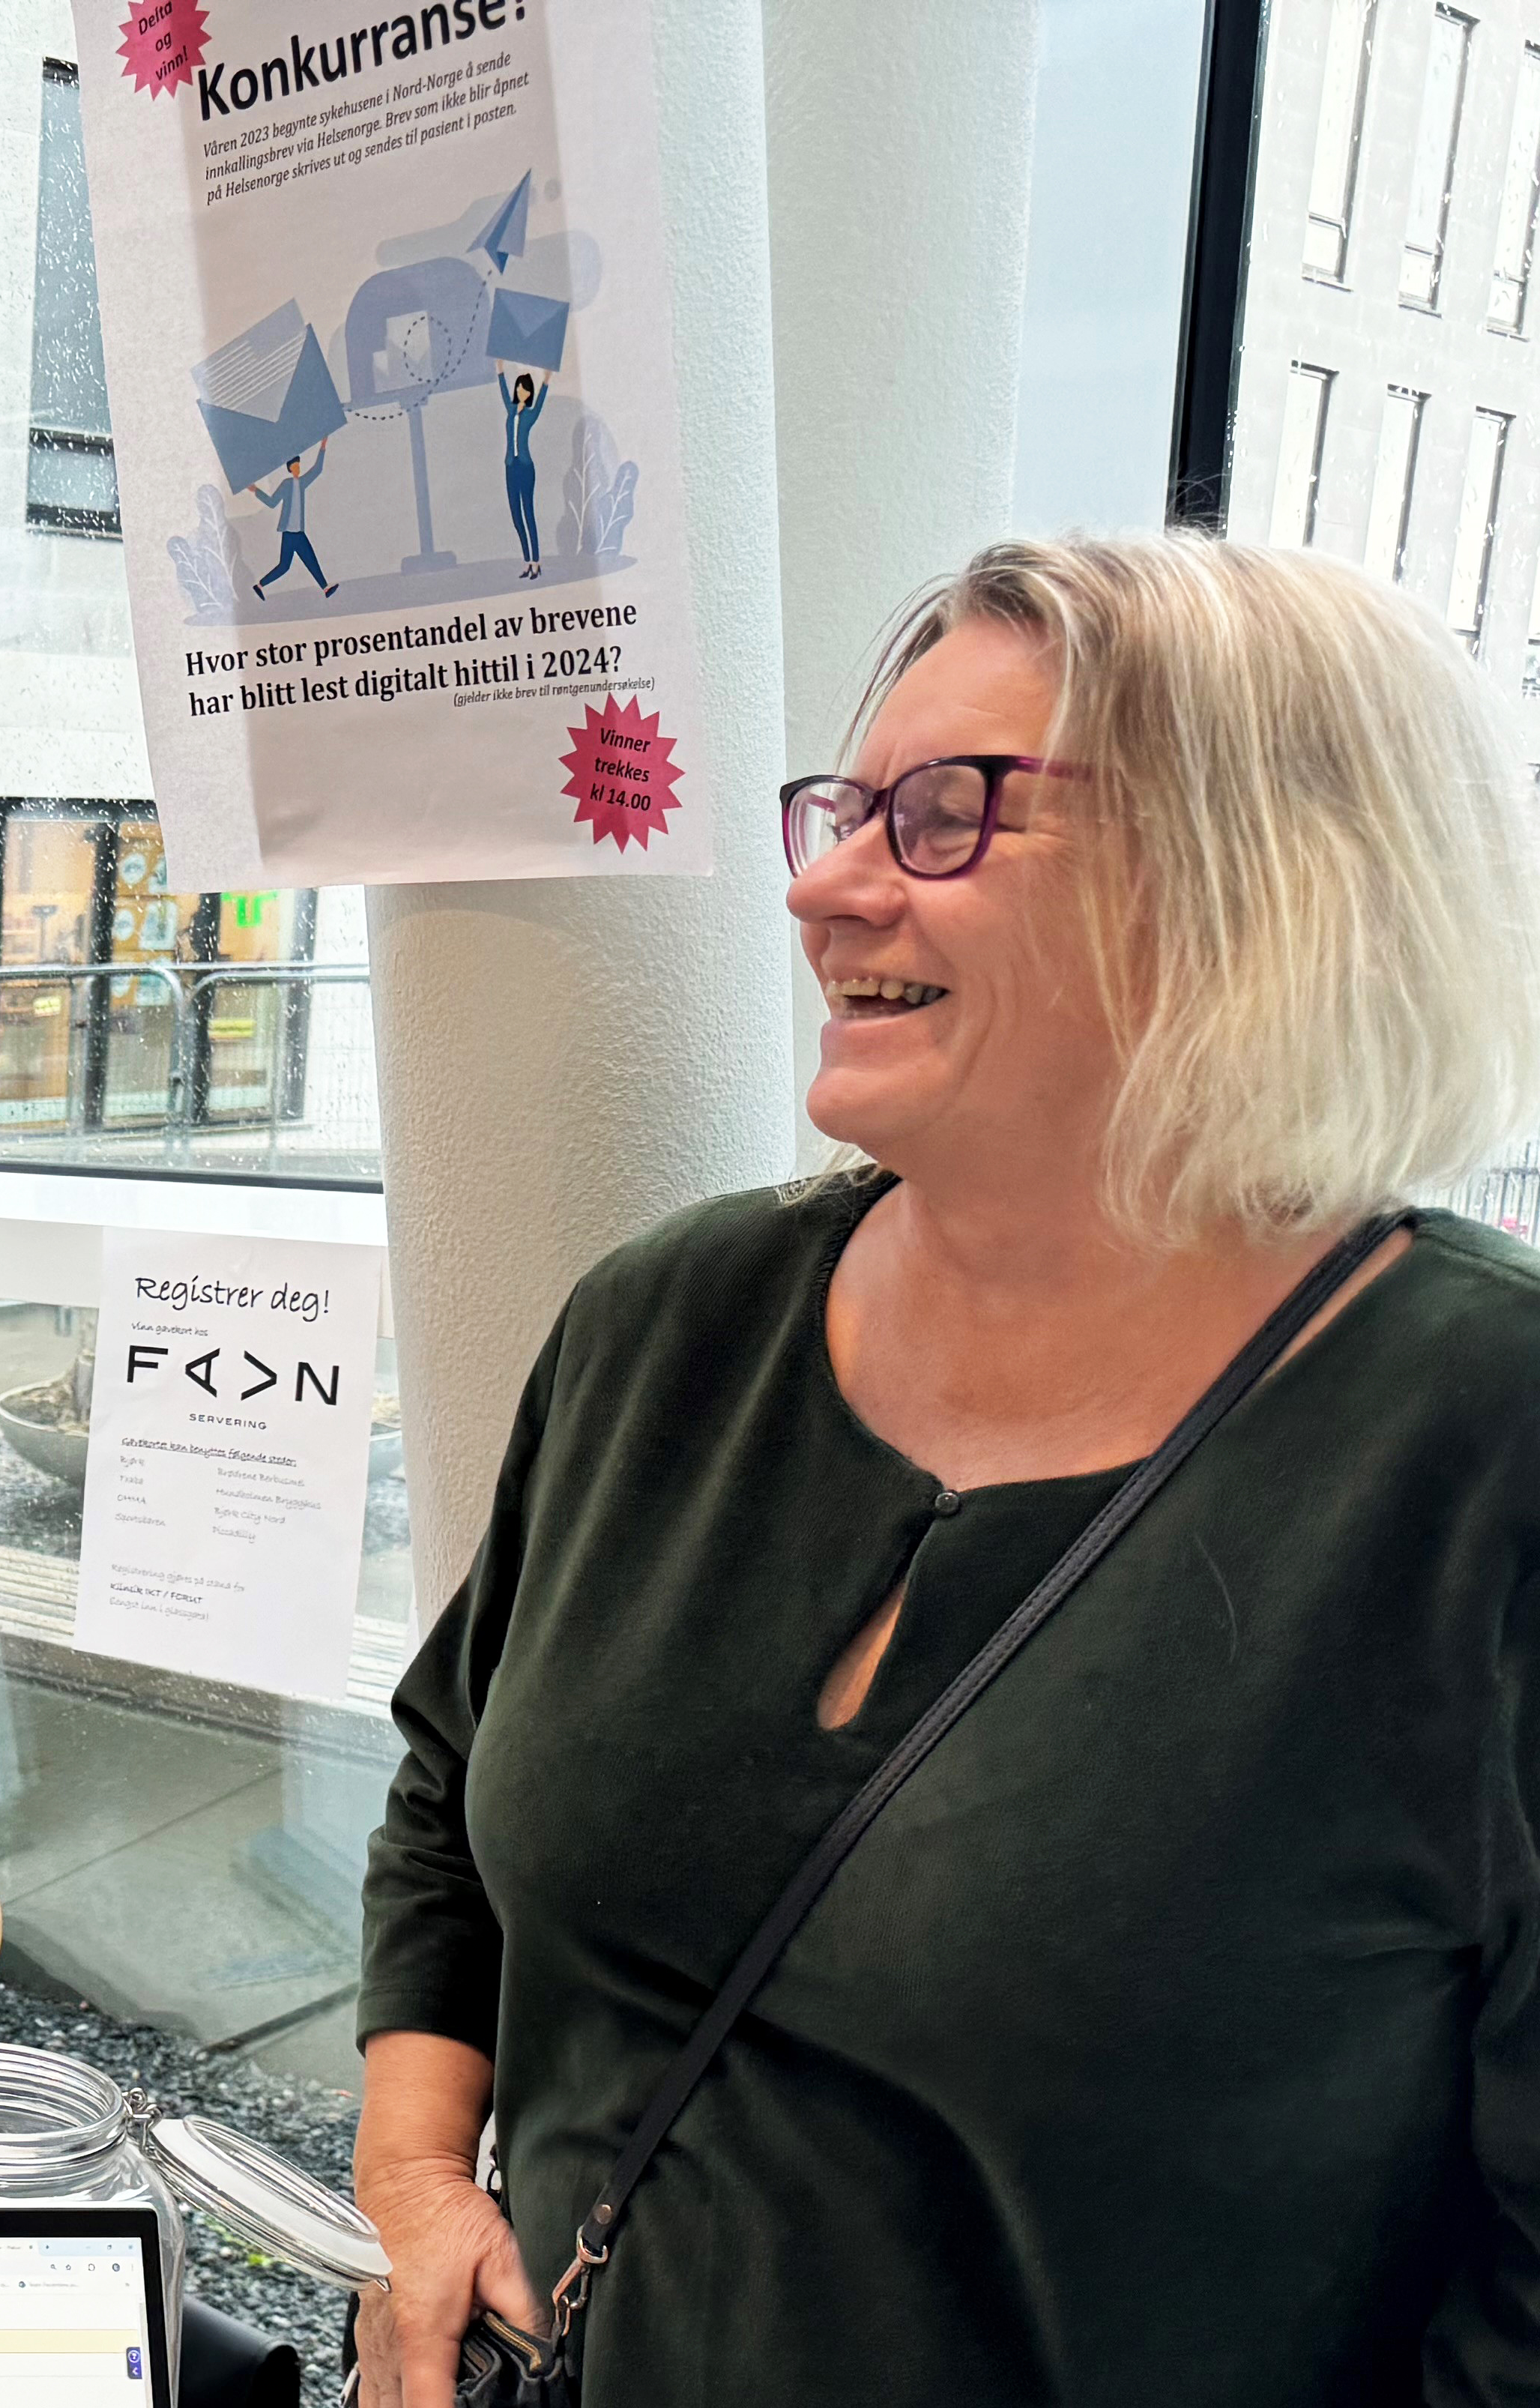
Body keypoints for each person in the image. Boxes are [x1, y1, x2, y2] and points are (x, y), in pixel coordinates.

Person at [351, 534, 1540, 2403]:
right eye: (844, 811)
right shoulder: (673, 1321)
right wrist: (419, 2185)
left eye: (942, 815)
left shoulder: (1482, 1449)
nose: (821, 885)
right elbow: (452, 1790)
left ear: (1265, 879)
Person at [250, 440, 335, 597]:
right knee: (284, 566)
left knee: (310, 560)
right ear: (290, 469)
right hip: (289, 533)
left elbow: (317, 470)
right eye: (295, 466)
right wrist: (255, 490)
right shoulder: (286, 484)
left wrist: (323, 447)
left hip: (299, 533)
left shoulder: (302, 483)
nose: (298, 468)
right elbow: (272, 503)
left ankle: (326, 588)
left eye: (299, 466)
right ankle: (260, 585)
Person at [499, 369, 546, 578]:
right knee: (516, 516)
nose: (521, 391)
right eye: (519, 387)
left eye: (525, 389)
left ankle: (536, 561)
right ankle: (527, 560)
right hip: (511, 466)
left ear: (529, 393)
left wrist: (546, 381)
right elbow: (503, 391)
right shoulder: (510, 410)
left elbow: (541, 401)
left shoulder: (530, 414)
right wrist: (500, 371)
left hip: (525, 467)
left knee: (528, 513)